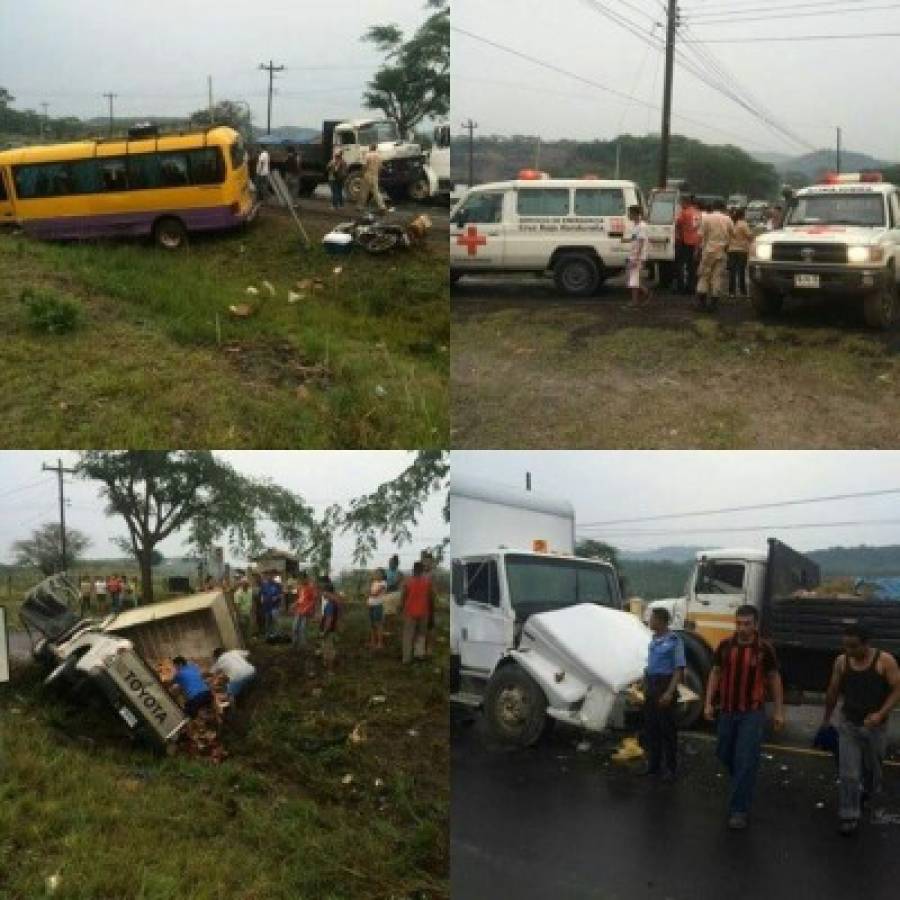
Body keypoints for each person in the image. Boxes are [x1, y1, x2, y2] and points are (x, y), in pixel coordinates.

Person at [704, 605, 784, 830]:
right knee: (723, 752)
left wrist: (778, 710)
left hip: (752, 712)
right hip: (727, 711)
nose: (742, 628)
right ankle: (743, 779)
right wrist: (708, 702)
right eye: (739, 623)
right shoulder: (725, 646)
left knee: (746, 760)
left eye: (747, 623)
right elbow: (715, 673)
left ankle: (738, 810)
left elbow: (774, 678)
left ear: (756, 624)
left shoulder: (764, 649)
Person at [823, 624, 900, 835]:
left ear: (867, 644)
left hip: (875, 728)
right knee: (849, 774)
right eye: (845, 646)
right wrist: (826, 719)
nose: (849, 650)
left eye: (854, 646)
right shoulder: (842, 662)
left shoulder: (884, 661)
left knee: (872, 771)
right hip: (849, 725)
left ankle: (867, 792)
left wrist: (880, 714)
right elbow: (833, 690)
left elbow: (897, 689)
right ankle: (849, 815)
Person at [641, 607, 685, 782]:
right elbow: (650, 665)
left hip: (665, 685)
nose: (650, 622)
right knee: (652, 728)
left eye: (652, 619)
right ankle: (653, 767)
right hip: (651, 685)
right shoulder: (654, 639)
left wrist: (669, 692)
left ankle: (671, 769)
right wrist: (644, 684)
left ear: (660, 621)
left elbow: (678, 669)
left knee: (667, 730)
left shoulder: (675, 641)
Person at [696, 199, 734, 311]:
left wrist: (697, 250)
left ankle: (702, 304)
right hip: (722, 251)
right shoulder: (727, 219)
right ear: (723, 208)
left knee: (704, 275)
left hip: (708, 250)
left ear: (713, 207)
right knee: (717, 276)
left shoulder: (707, 218)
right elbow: (733, 234)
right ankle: (714, 304)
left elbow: (700, 235)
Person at [401, 561, 435, 664]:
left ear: (413, 570)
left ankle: (406, 658)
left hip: (410, 611)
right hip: (424, 611)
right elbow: (431, 598)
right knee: (421, 634)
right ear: (422, 570)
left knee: (408, 635)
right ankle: (419, 655)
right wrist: (431, 612)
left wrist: (402, 607)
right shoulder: (427, 582)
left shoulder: (407, 582)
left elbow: (404, 597)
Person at [674, 194, 702, 295]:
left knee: (680, 265)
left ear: (685, 203)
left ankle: (681, 287)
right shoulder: (698, 212)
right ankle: (692, 287)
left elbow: (678, 224)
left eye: (681, 203)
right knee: (693, 267)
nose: (681, 205)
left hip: (685, 241)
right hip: (696, 242)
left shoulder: (684, 212)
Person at [625, 205, 651, 307]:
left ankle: (635, 301)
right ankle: (645, 294)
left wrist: (636, 258)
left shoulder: (642, 226)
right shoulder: (635, 226)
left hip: (638, 256)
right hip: (634, 254)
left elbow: (641, 243)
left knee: (634, 278)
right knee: (632, 278)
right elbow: (635, 240)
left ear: (635, 214)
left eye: (630, 213)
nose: (628, 215)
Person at [727, 208, 752, 299]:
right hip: (742, 250)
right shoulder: (743, 224)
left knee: (732, 272)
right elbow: (749, 236)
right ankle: (743, 291)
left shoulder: (731, 223)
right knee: (741, 271)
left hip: (731, 250)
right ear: (743, 215)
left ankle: (731, 292)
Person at [319, 577, 342, 672]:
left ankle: (330, 670)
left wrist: (324, 632)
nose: (322, 594)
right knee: (330, 648)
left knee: (328, 651)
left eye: (323, 592)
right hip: (332, 630)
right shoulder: (335, 603)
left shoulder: (329, 605)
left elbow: (329, 620)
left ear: (328, 592)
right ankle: (328, 666)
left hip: (328, 631)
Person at [357, 143, 389, 214]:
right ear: (376, 148)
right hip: (375, 176)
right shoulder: (379, 156)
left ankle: (360, 207)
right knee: (376, 192)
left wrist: (362, 173)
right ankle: (382, 207)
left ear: (370, 147)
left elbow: (364, 166)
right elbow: (380, 167)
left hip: (367, 175)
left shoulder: (367, 155)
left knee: (364, 191)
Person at [292, 571, 318, 649]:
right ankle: (295, 643)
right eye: (299, 579)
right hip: (299, 610)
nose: (299, 581)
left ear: (305, 579)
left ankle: (303, 645)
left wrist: (307, 609)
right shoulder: (300, 588)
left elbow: (313, 601)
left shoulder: (310, 588)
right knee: (295, 627)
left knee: (302, 628)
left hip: (306, 611)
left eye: (301, 579)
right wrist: (295, 604)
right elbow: (300, 599)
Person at [367, 568, 387, 650]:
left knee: (378, 625)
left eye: (378, 573)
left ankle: (380, 643)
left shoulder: (383, 583)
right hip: (371, 605)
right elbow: (370, 593)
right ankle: (373, 642)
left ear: (382, 575)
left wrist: (368, 593)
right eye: (376, 573)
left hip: (378, 605)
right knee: (372, 625)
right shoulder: (374, 583)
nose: (376, 575)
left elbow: (375, 594)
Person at [260, 573, 282, 640]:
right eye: (267, 576)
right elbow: (262, 594)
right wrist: (262, 599)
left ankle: (277, 635)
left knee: (275, 621)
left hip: (275, 606)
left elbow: (281, 594)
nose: (269, 577)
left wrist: (277, 597)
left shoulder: (277, 585)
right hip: (266, 606)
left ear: (273, 577)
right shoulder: (264, 585)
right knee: (267, 621)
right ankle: (268, 635)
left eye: (271, 576)